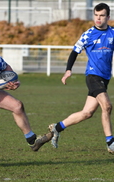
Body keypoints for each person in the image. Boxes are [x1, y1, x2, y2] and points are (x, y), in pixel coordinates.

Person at [48, 3, 114, 154]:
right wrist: (68, 70)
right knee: (107, 106)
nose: (98, 18)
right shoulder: (88, 34)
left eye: (102, 15)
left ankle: (57, 127)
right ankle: (110, 142)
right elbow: (74, 52)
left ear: (108, 17)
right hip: (93, 76)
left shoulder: (113, 33)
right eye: (96, 15)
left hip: (105, 78)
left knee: (87, 113)